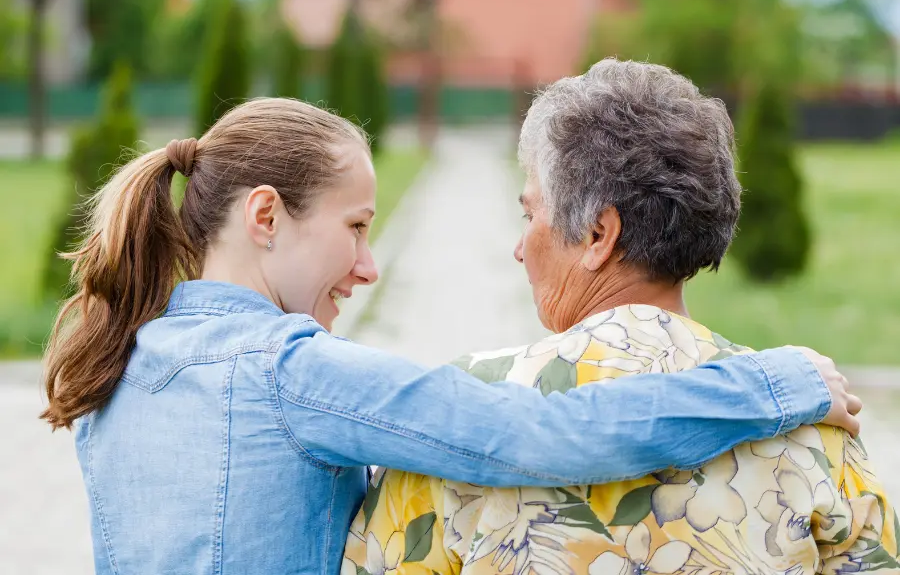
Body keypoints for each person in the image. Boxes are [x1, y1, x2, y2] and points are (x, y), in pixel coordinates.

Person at [41, 98, 858, 574]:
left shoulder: (116, 364)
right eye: (356, 227)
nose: (367, 267)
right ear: (265, 215)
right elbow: (542, 435)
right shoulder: (290, 373)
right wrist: (774, 385)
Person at [345, 60, 894, 574]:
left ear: (597, 235)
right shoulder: (817, 429)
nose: (519, 246)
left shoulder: (461, 418)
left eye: (529, 213)